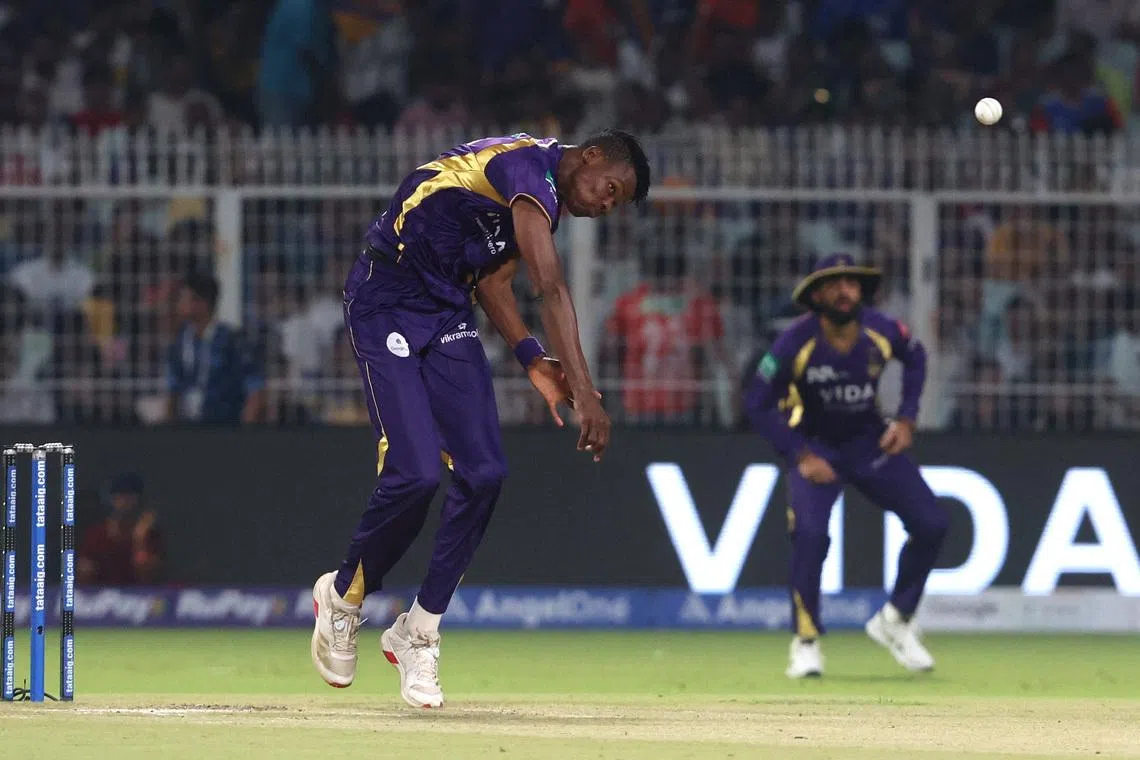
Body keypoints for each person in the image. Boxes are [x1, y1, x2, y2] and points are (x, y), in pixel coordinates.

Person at [310, 130, 651, 706]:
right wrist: (587, 392)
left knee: (485, 471)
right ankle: (343, 597)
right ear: (590, 157)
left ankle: (418, 631)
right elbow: (550, 286)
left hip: (446, 311)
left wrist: (532, 360)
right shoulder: (527, 172)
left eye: (614, 205)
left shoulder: (542, 204)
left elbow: (493, 281)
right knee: (415, 474)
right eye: (609, 189)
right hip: (385, 298)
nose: (603, 205)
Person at [744, 253, 949, 679]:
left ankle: (896, 619)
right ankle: (805, 643)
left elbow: (916, 357)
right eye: (833, 284)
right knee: (810, 536)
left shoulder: (881, 329)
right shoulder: (794, 342)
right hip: (815, 447)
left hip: (868, 440)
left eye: (852, 284)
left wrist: (907, 418)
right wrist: (801, 454)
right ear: (816, 295)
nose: (844, 291)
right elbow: (757, 402)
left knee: (931, 523)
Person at [166, 273, 266, 425]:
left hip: (225, 430)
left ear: (201, 303)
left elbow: (254, 390)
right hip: (187, 432)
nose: (179, 304)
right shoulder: (179, 343)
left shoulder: (232, 341)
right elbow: (172, 390)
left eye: (183, 298)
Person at [76, 473, 164, 585]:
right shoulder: (97, 533)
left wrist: (139, 538)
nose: (124, 502)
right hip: (104, 596)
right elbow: (83, 575)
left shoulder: (150, 533)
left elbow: (147, 577)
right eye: (119, 496)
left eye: (129, 496)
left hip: (138, 597)